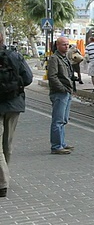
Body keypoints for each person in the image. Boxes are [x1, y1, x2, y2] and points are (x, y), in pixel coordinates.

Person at [0, 32, 33, 197]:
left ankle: (2, 181)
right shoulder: (15, 55)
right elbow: (28, 78)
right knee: (7, 143)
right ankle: (5, 177)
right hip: (14, 103)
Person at [47, 36, 75, 155]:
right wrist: (62, 88)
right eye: (64, 44)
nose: (66, 46)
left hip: (67, 92)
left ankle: (62, 143)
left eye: (67, 44)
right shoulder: (54, 58)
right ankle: (56, 146)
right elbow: (52, 76)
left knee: (63, 120)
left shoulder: (65, 58)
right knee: (58, 120)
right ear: (57, 45)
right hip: (60, 93)